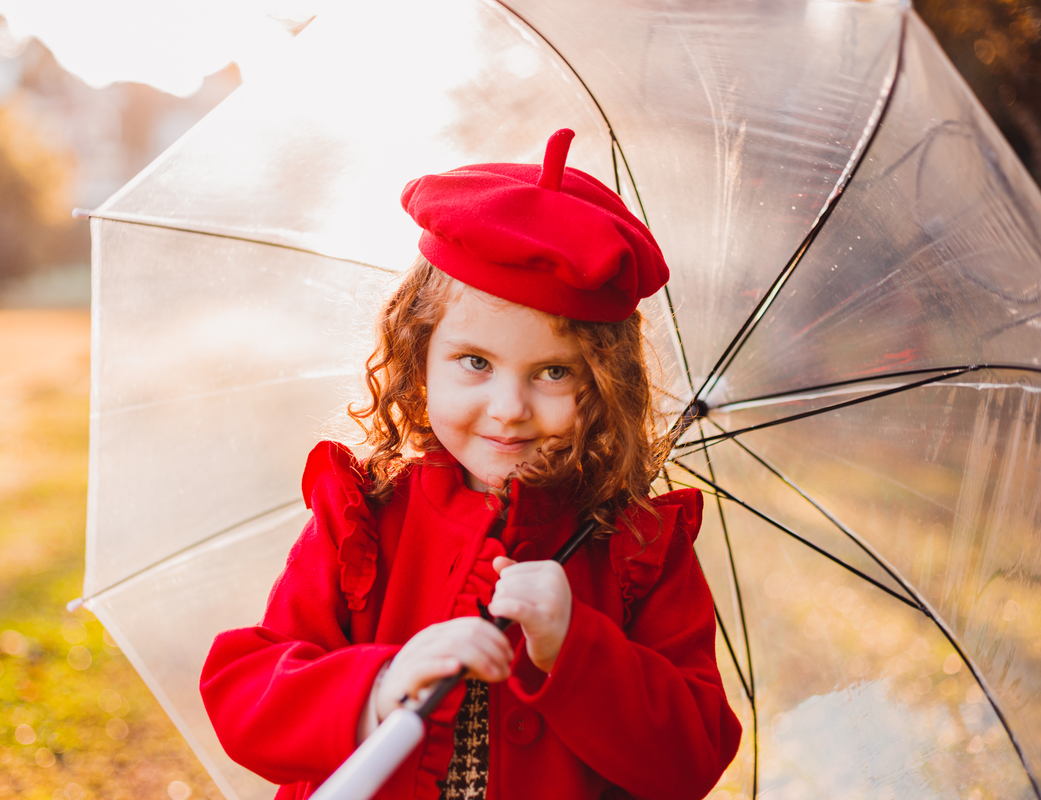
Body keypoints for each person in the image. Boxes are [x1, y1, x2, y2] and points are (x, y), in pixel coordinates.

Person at [200, 129, 742, 800]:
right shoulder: (364, 518)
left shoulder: (638, 549)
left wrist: (575, 644)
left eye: (552, 372)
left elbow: (693, 757)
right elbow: (245, 692)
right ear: (418, 354)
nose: (508, 408)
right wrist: (381, 681)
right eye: (476, 362)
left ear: (604, 384)